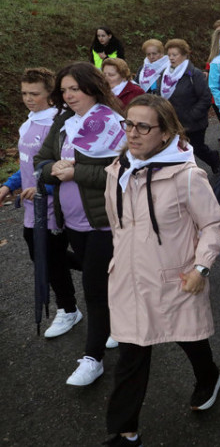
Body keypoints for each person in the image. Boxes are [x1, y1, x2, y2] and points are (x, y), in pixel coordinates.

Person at [102, 94, 220, 447]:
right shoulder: (118, 169)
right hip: (127, 278)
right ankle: (126, 432)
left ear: (166, 133)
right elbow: (117, 224)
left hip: (176, 277)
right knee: (132, 352)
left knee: (188, 337)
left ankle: (209, 376)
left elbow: (214, 224)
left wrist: (201, 268)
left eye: (144, 126)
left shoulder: (187, 176)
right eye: (129, 124)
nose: (134, 133)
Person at [35, 62, 126, 386]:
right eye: (64, 91)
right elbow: (40, 163)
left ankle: (93, 359)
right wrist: (53, 169)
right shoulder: (63, 122)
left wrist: (77, 172)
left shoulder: (114, 123)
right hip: (71, 221)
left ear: (92, 87)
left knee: (94, 290)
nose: (69, 95)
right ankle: (117, 323)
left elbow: (121, 171)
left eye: (75, 88)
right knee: (100, 279)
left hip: (103, 222)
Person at [0, 68, 80, 339]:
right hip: (33, 207)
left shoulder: (57, 125)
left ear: (51, 94)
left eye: (35, 94)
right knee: (44, 256)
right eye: (24, 93)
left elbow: (65, 169)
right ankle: (102, 270)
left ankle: (68, 308)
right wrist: (8, 185)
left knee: (50, 258)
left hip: (53, 206)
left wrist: (42, 188)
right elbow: (27, 164)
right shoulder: (30, 121)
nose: (28, 99)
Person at [154, 39, 219, 174]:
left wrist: (192, 115)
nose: (171, 58)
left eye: (175, 54)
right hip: (172, 123)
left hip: (193, 124)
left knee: (197, 149)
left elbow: (205, 98)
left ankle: (214, 160)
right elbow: (159, 96)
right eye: (169, 55)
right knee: (177, 151)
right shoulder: (164, 75)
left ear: (184, 55)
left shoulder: (193, 74)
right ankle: (185, 176)